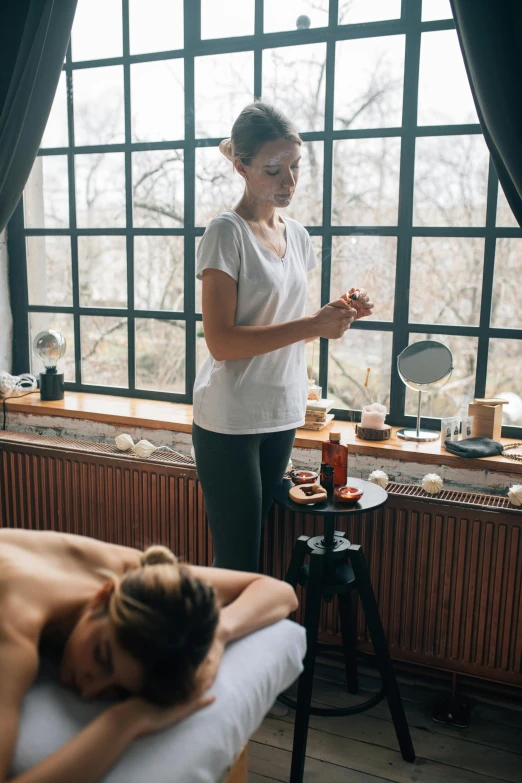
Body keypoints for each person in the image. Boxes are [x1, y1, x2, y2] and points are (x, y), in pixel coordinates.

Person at [193, 101, 374, 572]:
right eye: (273, 170)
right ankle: (215, 646)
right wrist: (313, 324)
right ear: (241, 167)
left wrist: (338, 313)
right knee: (238, 563)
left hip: (282, 409)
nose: (288, 181)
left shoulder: (298, 235)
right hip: (230, 419)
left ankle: (253, 644)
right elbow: (222, 343)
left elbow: (286, 318)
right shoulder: (225, 234)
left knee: (261, 551)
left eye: (295, 167)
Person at [0, 528, 298, 782]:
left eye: (117, 691)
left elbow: (279, 592)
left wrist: (219, 635)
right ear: (102, 597)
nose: (90, 690)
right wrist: (124, 722)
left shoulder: (135, 582)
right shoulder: (14, 629)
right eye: (102, 657)